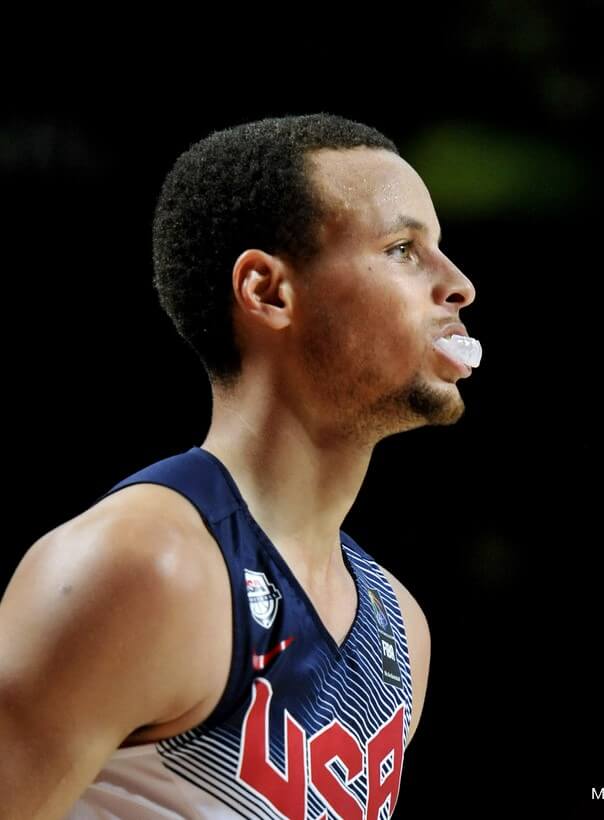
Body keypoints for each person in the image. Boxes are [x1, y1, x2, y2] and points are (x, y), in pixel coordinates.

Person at [0, 113, 480, 819]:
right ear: (267, 291)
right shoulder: (139, 566)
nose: (459, 284)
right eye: (403, 248)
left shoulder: (401, 628)